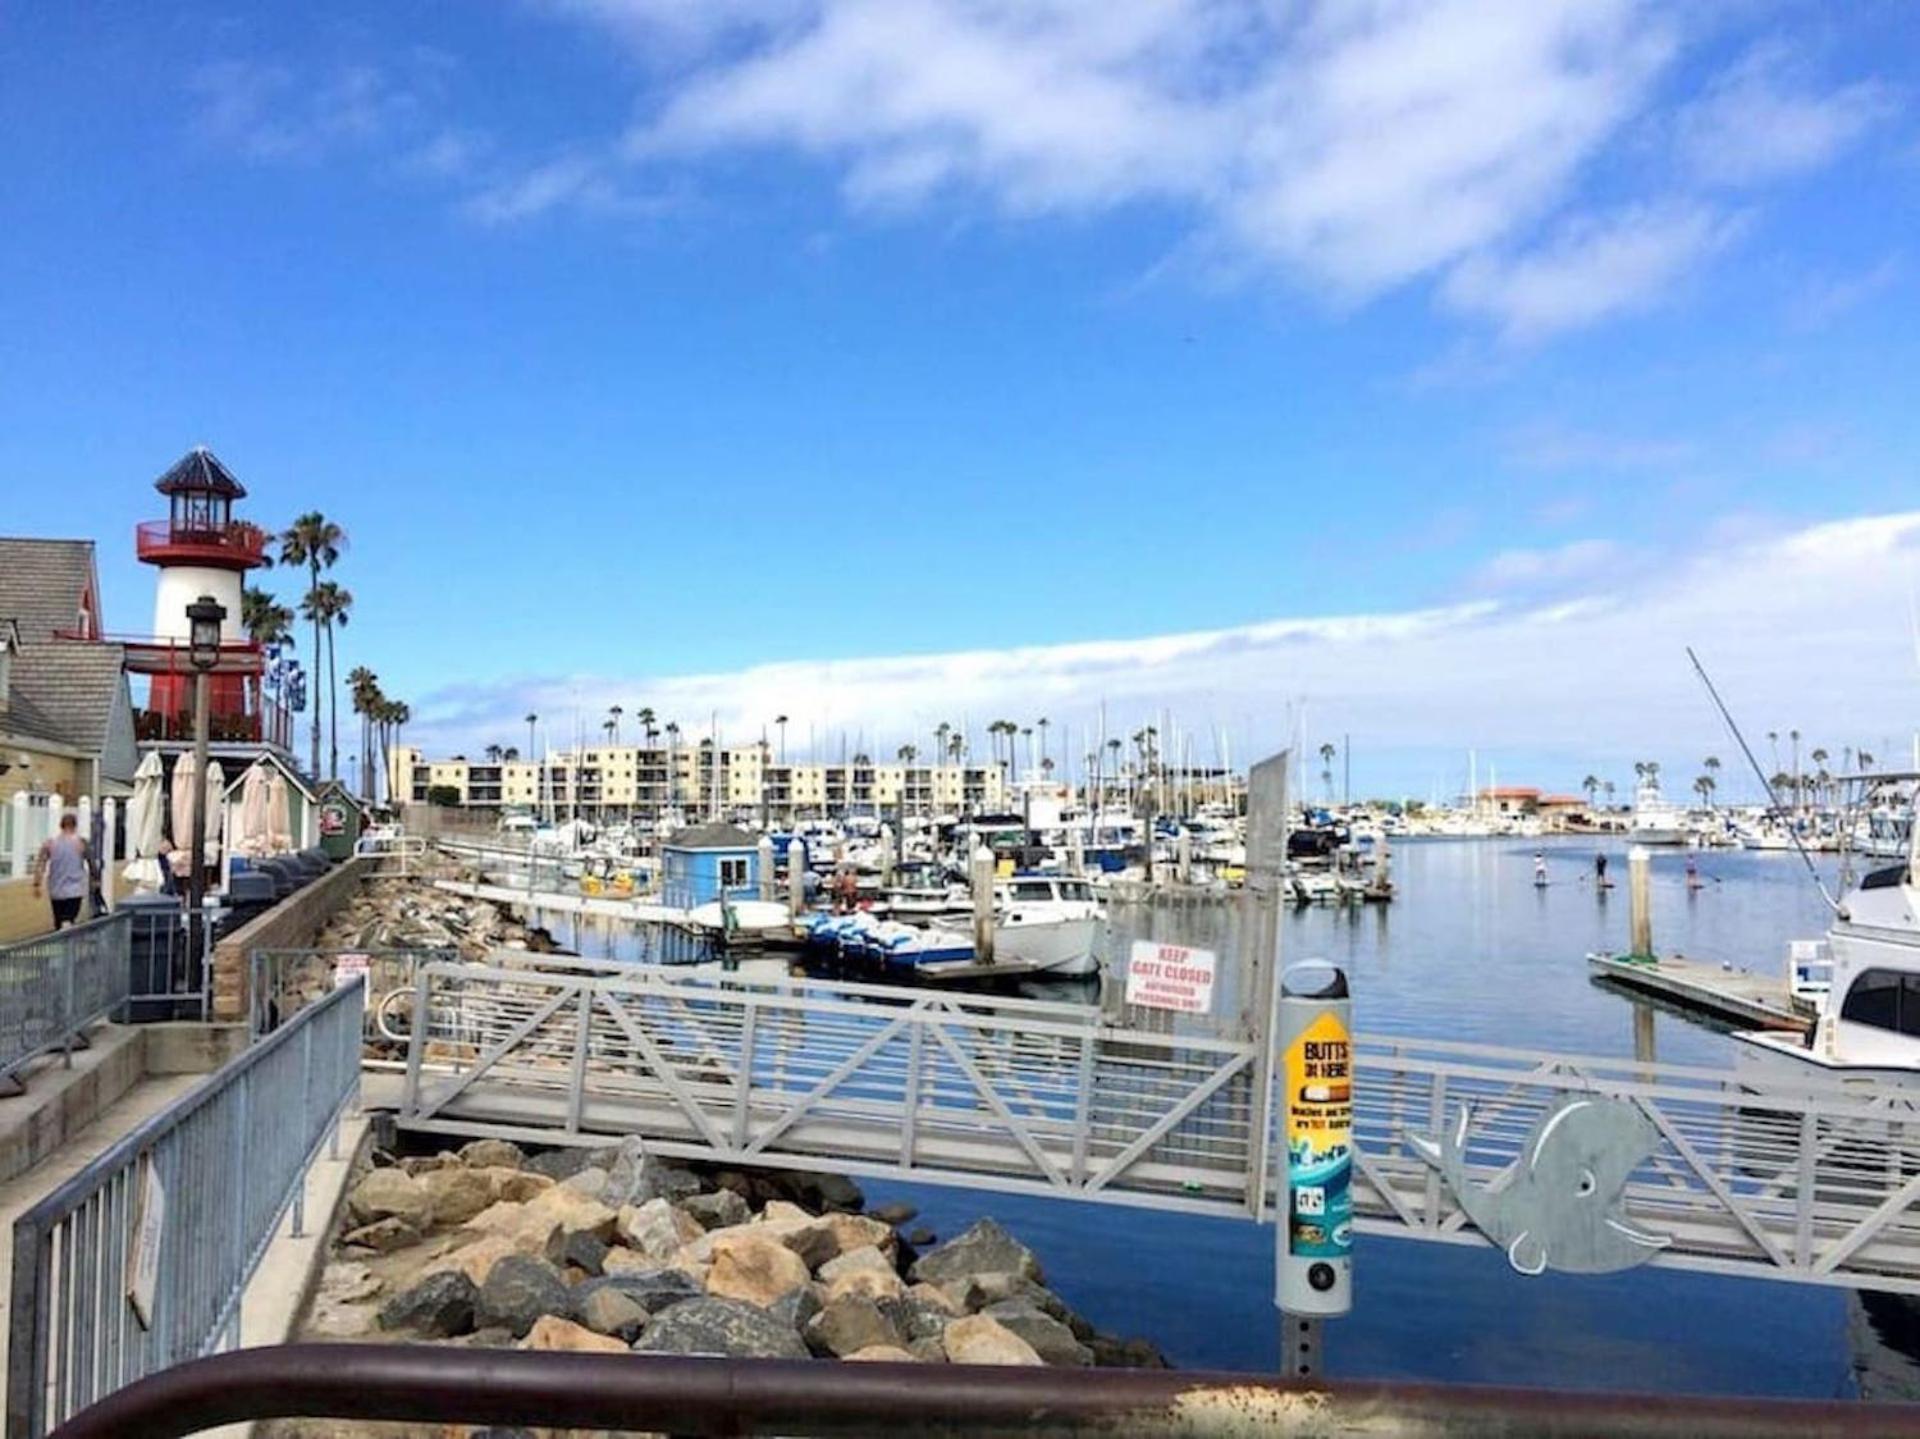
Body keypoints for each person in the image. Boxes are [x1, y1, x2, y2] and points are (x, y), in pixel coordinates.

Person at [31, 812, 91, 930]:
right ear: (75, 826)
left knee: (58, 921)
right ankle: (67, 940)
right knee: (69, 919)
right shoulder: (81, 842)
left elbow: (41, 863)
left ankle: (60, 942)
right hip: (75, 889)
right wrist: (95, 880)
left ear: (60, 826)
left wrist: (37, 884)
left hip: (56, 889)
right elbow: (91, 862)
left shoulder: (50, 843)